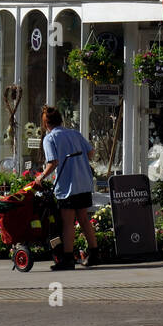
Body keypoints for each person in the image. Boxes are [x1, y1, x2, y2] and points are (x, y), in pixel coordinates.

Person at [34, 105, 99, 269]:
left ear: (45, 124)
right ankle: (95, 253)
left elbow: (53, 162)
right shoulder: (75, 133)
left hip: (67, 185)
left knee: (68, 222)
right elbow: (91, 153)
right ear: (60, 120)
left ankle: (68, 259)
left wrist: (41, 177)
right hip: (83, 182)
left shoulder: (49, 138)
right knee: (84, 219)